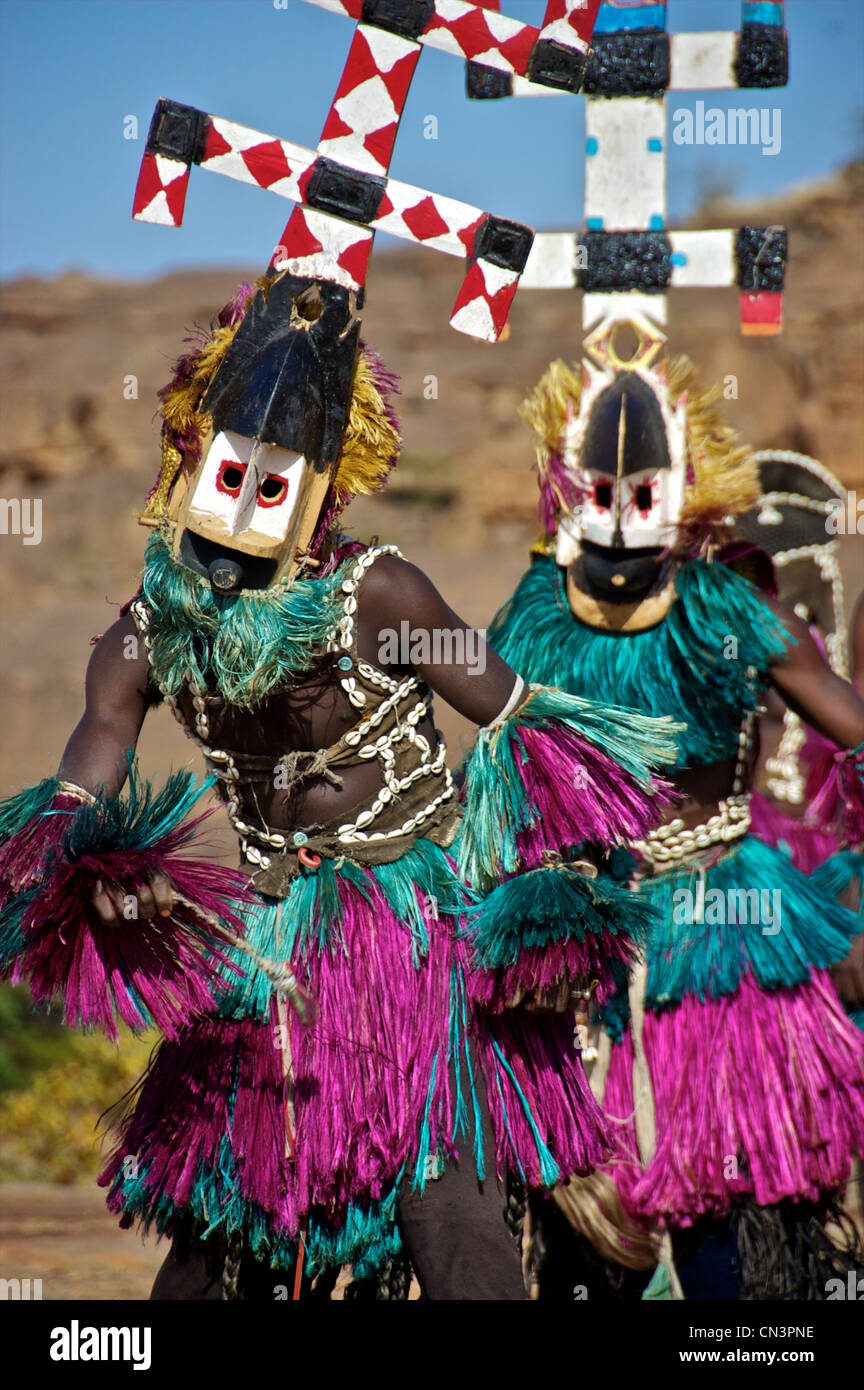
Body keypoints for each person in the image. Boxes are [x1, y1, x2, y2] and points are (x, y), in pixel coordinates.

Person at [0, 277, 679, 1301]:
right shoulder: (147, 631)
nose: (238, 518)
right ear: (187, 461)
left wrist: (555, 891)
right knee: (222, 1224)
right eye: (227, 477)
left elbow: (517, 714)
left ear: (319, 493)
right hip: (268, 939)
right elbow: (91, 762)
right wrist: (93, 865)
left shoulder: (384, 595)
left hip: (413, 937)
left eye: (270, 489)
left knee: (444, 1204)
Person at [488, 332, 864, 1299]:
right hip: (585, 943)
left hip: (724, 937)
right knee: (584, 1224)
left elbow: (854, 733)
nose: (620, 517)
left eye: (643, 493)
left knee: (731, 1216)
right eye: (600, 492)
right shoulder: (535, 615)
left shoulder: (729, 610)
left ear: (683, 490)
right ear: (569, 491)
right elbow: (498, 777)